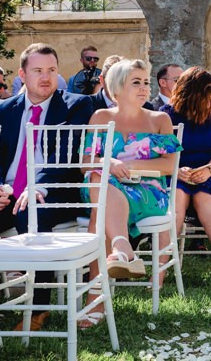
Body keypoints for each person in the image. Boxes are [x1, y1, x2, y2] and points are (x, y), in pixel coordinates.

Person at [0, 42, 94, 331]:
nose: (46, 77)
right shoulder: (4, 110)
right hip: (8, 193)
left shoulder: (77, 105)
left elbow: (66, 157)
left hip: (55, 191)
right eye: (38, 71)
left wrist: (39, 187)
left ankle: (40, 308)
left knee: (30, 212)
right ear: (22, 74)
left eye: (52, 70)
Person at [78, 58, 181, 328]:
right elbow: (85, 163)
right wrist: (111, 162)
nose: (144, 88)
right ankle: (123, 248)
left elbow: (169, 166)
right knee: (99, 176)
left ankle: (96, 298)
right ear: (117, 86)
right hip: (106, 186)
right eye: (136, 82)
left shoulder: (160, 119)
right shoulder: (101, 117)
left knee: (97, 218)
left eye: (146, 82)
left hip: (148, 190)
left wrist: (131, 166)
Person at [161, 67, 211, 287]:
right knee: (175, 199)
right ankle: (161, 269)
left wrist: (208, 170)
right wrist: (178, 169)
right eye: (207, 93)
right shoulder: (168, 113)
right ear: (193, 93)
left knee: (203, 197)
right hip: (179, 172)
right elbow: (165, 151)